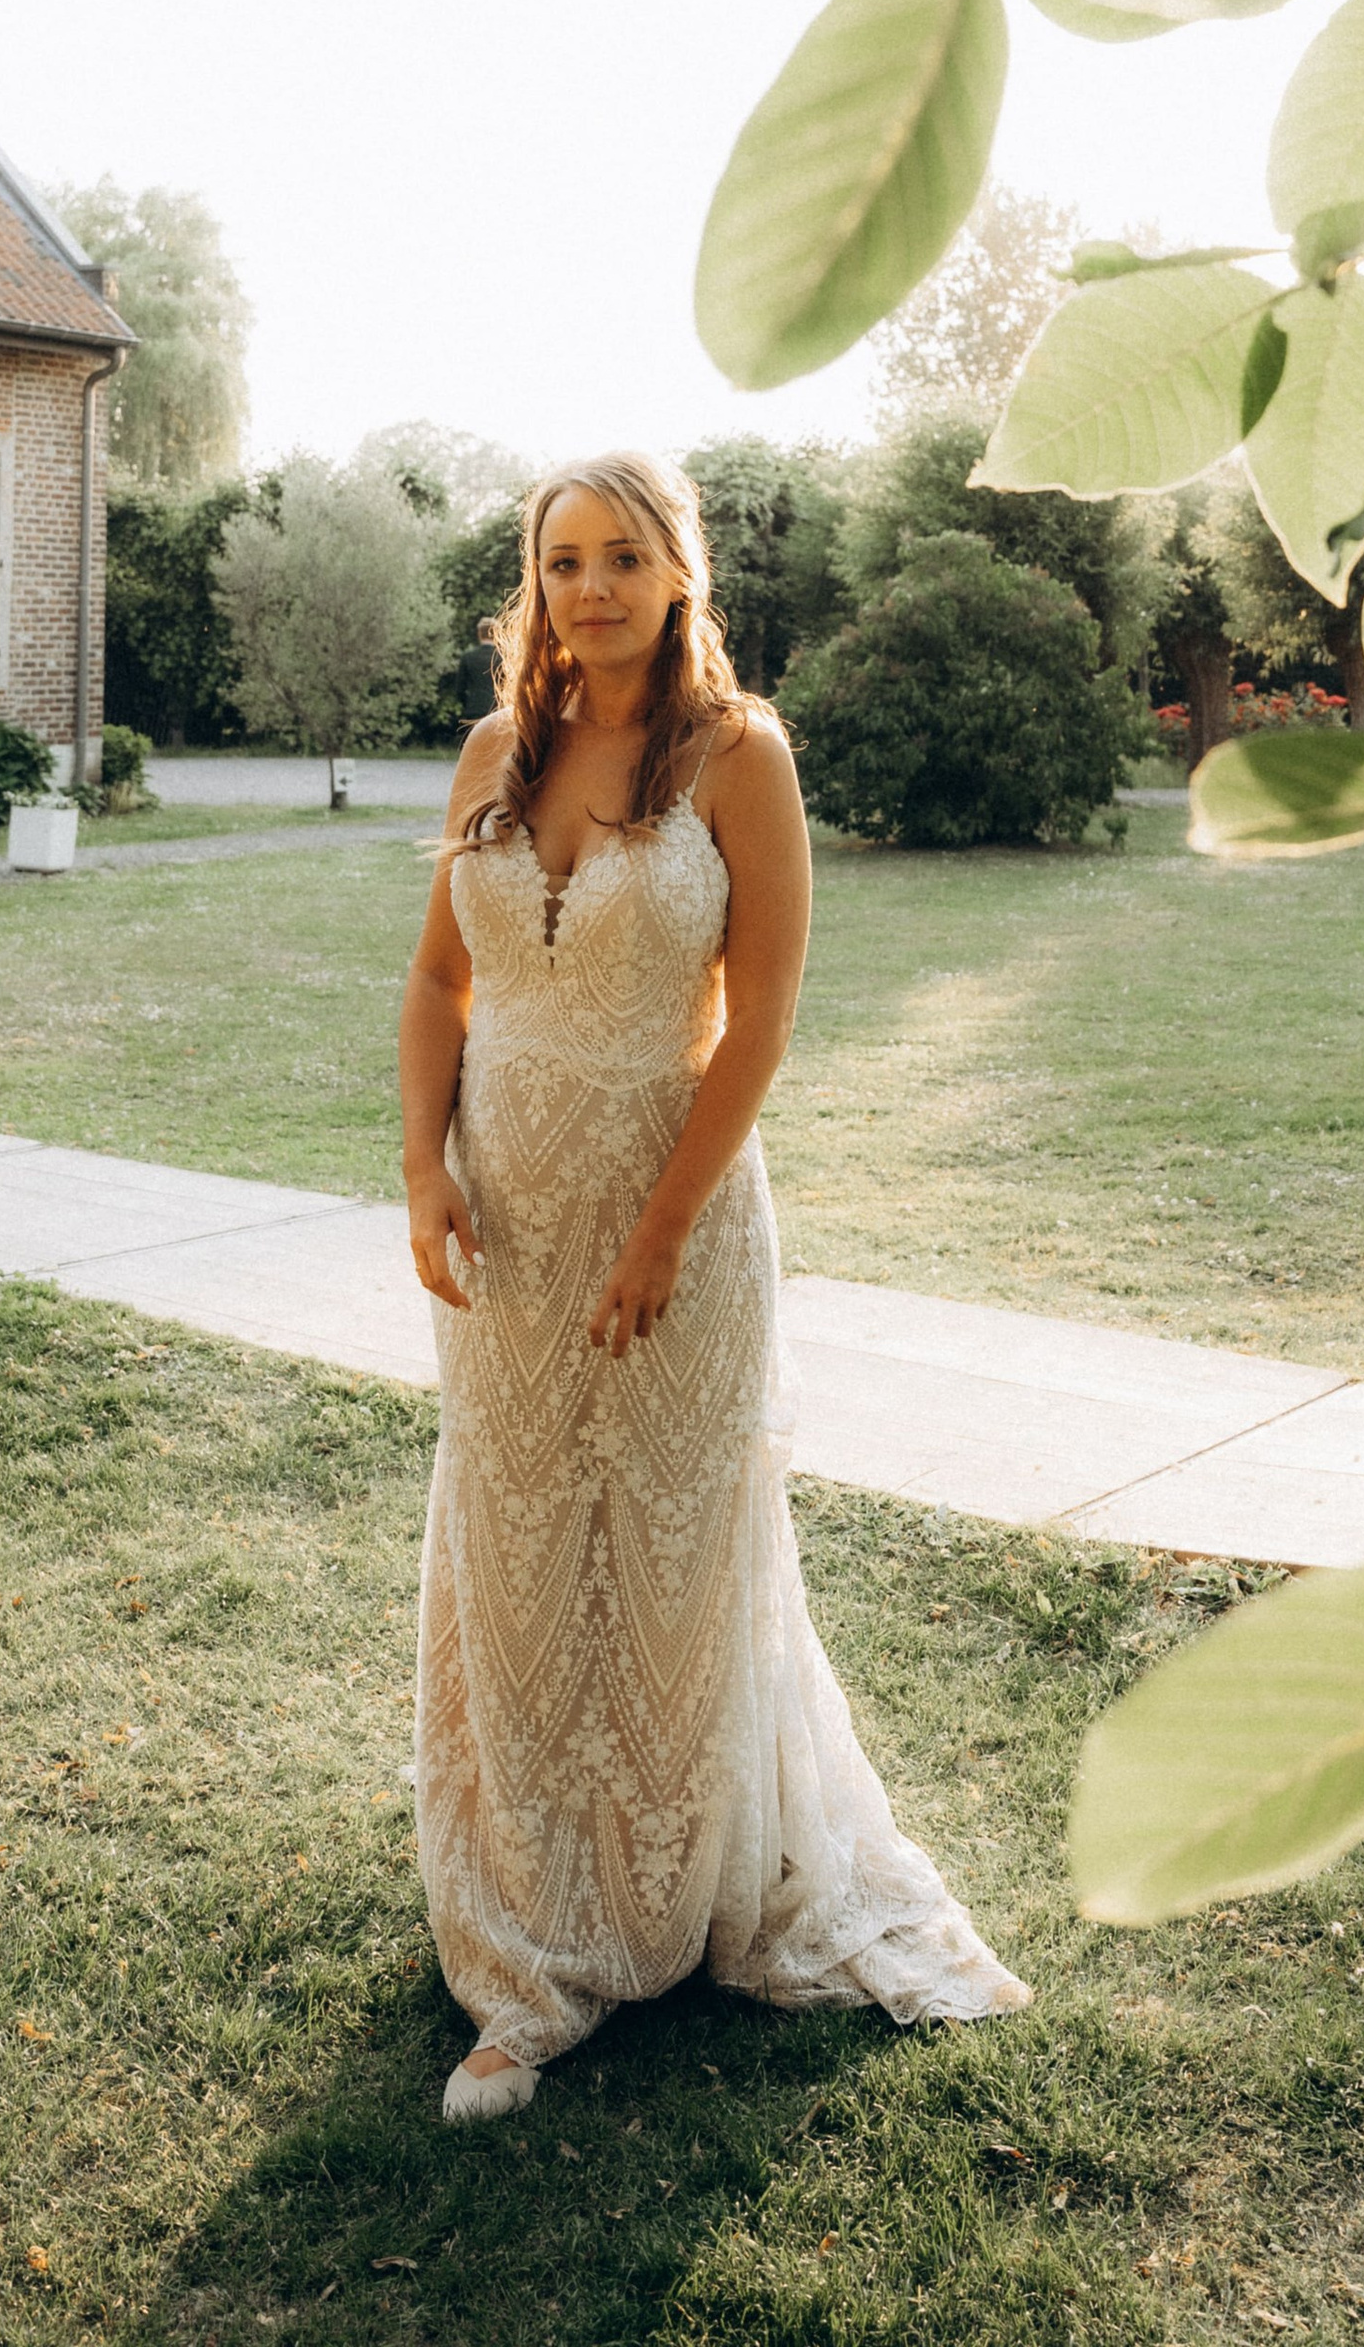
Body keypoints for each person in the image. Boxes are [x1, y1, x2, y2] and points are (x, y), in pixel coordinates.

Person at [398, 450, 1029, 2122]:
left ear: (680, 571)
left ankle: (667, 1903)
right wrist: (420, 1169)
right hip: (509, 1236)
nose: (589, 585)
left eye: (621, 555)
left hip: (674, 1222)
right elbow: (438, 987)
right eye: (561, 559)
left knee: (674, 1554)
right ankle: (528, 1943)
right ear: (531, 584)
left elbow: (758, 1022)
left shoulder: (741, 757)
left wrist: (665, 1228)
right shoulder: (492, 752)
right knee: (520, 1550)